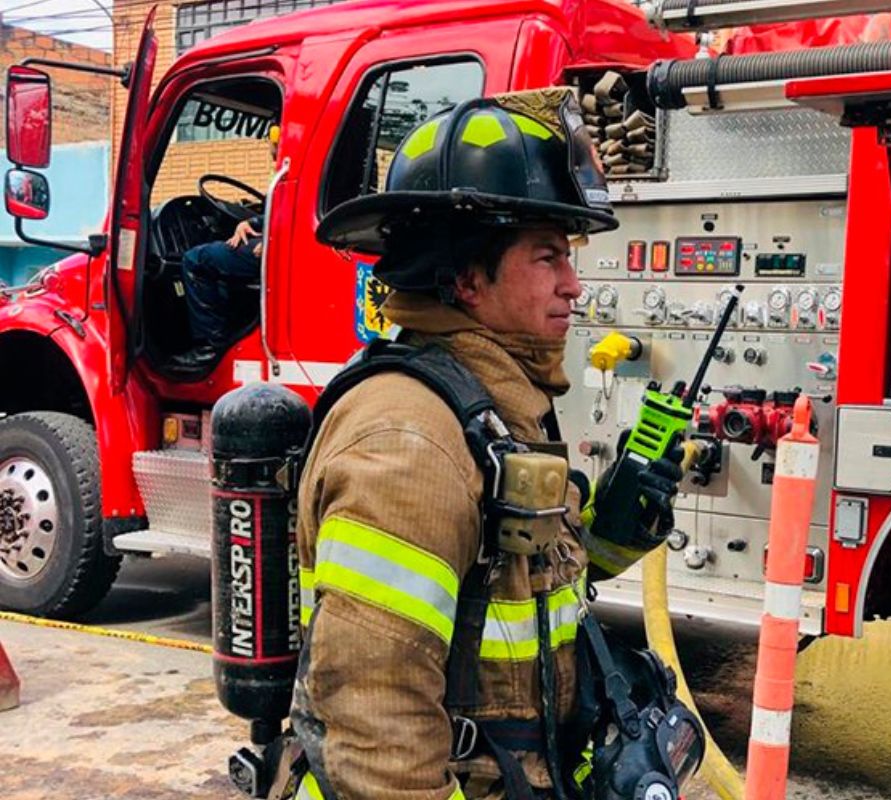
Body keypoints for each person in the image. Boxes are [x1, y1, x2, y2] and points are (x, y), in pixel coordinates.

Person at [288, 90, 687, 800]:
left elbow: (514, 599)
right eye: (548, 258)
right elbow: (377, 729)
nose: (573, 284)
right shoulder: (408, 443)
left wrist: (615, 531)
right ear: (469, 278)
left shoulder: (495, 413)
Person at [171, 123, 280, 369]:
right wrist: (250, 222)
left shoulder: (292, 168)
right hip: (274, 241)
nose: (269, 143)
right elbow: (277, 214)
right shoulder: (290, 170)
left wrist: (271, 240)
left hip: (278, 248)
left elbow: (292, 216)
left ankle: (210, 345)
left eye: (272, 136)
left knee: (196, 260)